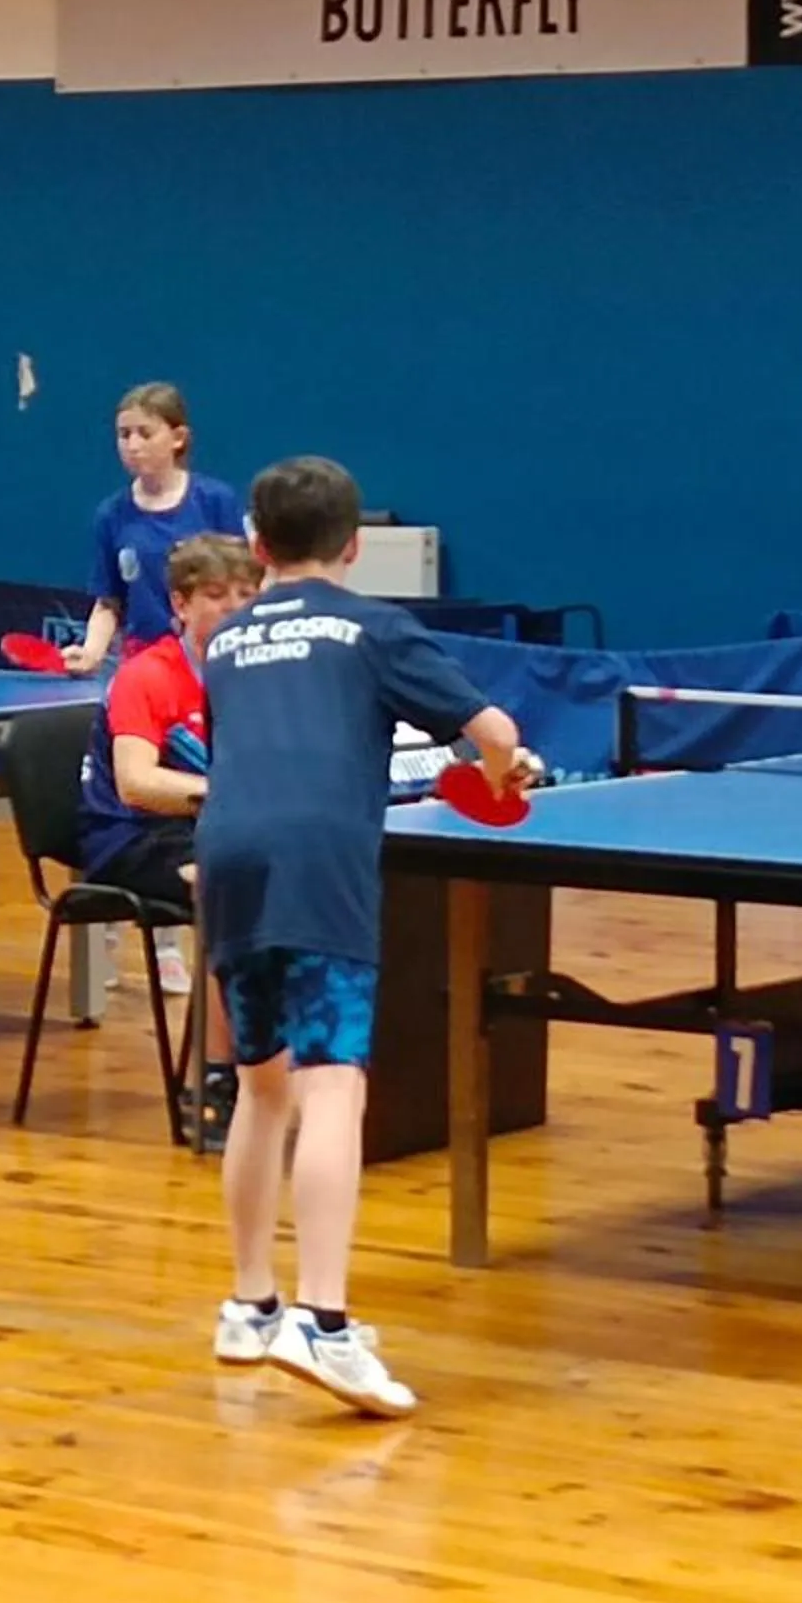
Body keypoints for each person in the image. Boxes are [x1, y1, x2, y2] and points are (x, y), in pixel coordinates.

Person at [198, 456, 532, 1418]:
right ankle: (326, 1325)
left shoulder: (223, 639)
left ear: (256, 548)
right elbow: (492, 728)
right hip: (318, 862)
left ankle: (250, 1305)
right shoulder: (375, 625)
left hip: (227, 856)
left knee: (260, 1090)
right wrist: (505, 771)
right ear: (355, 546)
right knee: (333, 1085)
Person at [72, 533, 262, 1149]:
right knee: (228, 889)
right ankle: (210, 1082)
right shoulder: (146, 675)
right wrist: (225, 793)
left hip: (218, 825)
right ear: (180, 603)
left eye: (245, 594)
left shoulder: (258, 674)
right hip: (131, 837)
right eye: (216, 595)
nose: (233, 607)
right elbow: (136, 783)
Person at [69, 382, 246, 675]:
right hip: (145, 666)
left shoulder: (216, 501)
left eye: (145, 434)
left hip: (215, 661)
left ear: (178, 438)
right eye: (124, 435)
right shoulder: (111, 515)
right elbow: (108, 602)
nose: (133, 445)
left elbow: (245, 588)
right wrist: (90, 652)